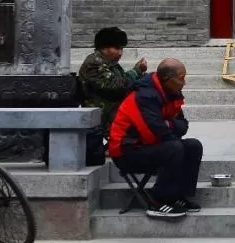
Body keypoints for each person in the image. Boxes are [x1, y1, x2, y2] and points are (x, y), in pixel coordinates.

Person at [108, 58, 204, 219]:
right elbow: (155, 132)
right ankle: (158, 200)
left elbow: (183, 126)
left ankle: (178, 196)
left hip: (148, 146)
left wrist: (168, 124)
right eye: (181, 78)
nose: (184, 82)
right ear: (167, 79)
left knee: (193, 146)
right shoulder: (144, 96)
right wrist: (170, 126)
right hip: (126, 152)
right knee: (174, 148)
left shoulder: (171, 93)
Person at [78, 27, 147, 165]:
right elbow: (115, 86)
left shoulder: (111, 64)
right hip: (103, 112)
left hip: (114, 108)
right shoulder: (94, 63)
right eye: (116, 48)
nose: (120, 53)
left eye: (121, 48)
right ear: (104, 47)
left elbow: (124, 82)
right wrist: (136, 72)